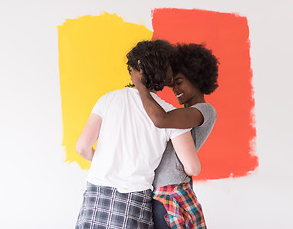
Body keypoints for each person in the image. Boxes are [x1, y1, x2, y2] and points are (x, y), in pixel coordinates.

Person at [75, 40, 201, 229]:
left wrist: (107, 163)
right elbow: (192, 168)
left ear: (134, 67)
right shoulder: (170, 114)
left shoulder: (108, 100)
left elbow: (82, 147)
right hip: (134, 199)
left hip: (95, 193)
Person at [131, 43, 219, 229]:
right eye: (172, 85)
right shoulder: (182, 114)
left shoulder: (205, 110)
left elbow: (160, 119)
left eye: (179, 82)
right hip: (163, 191)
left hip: (171, 192)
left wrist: (140, 85)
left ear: (197, 79)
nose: (175, 89)